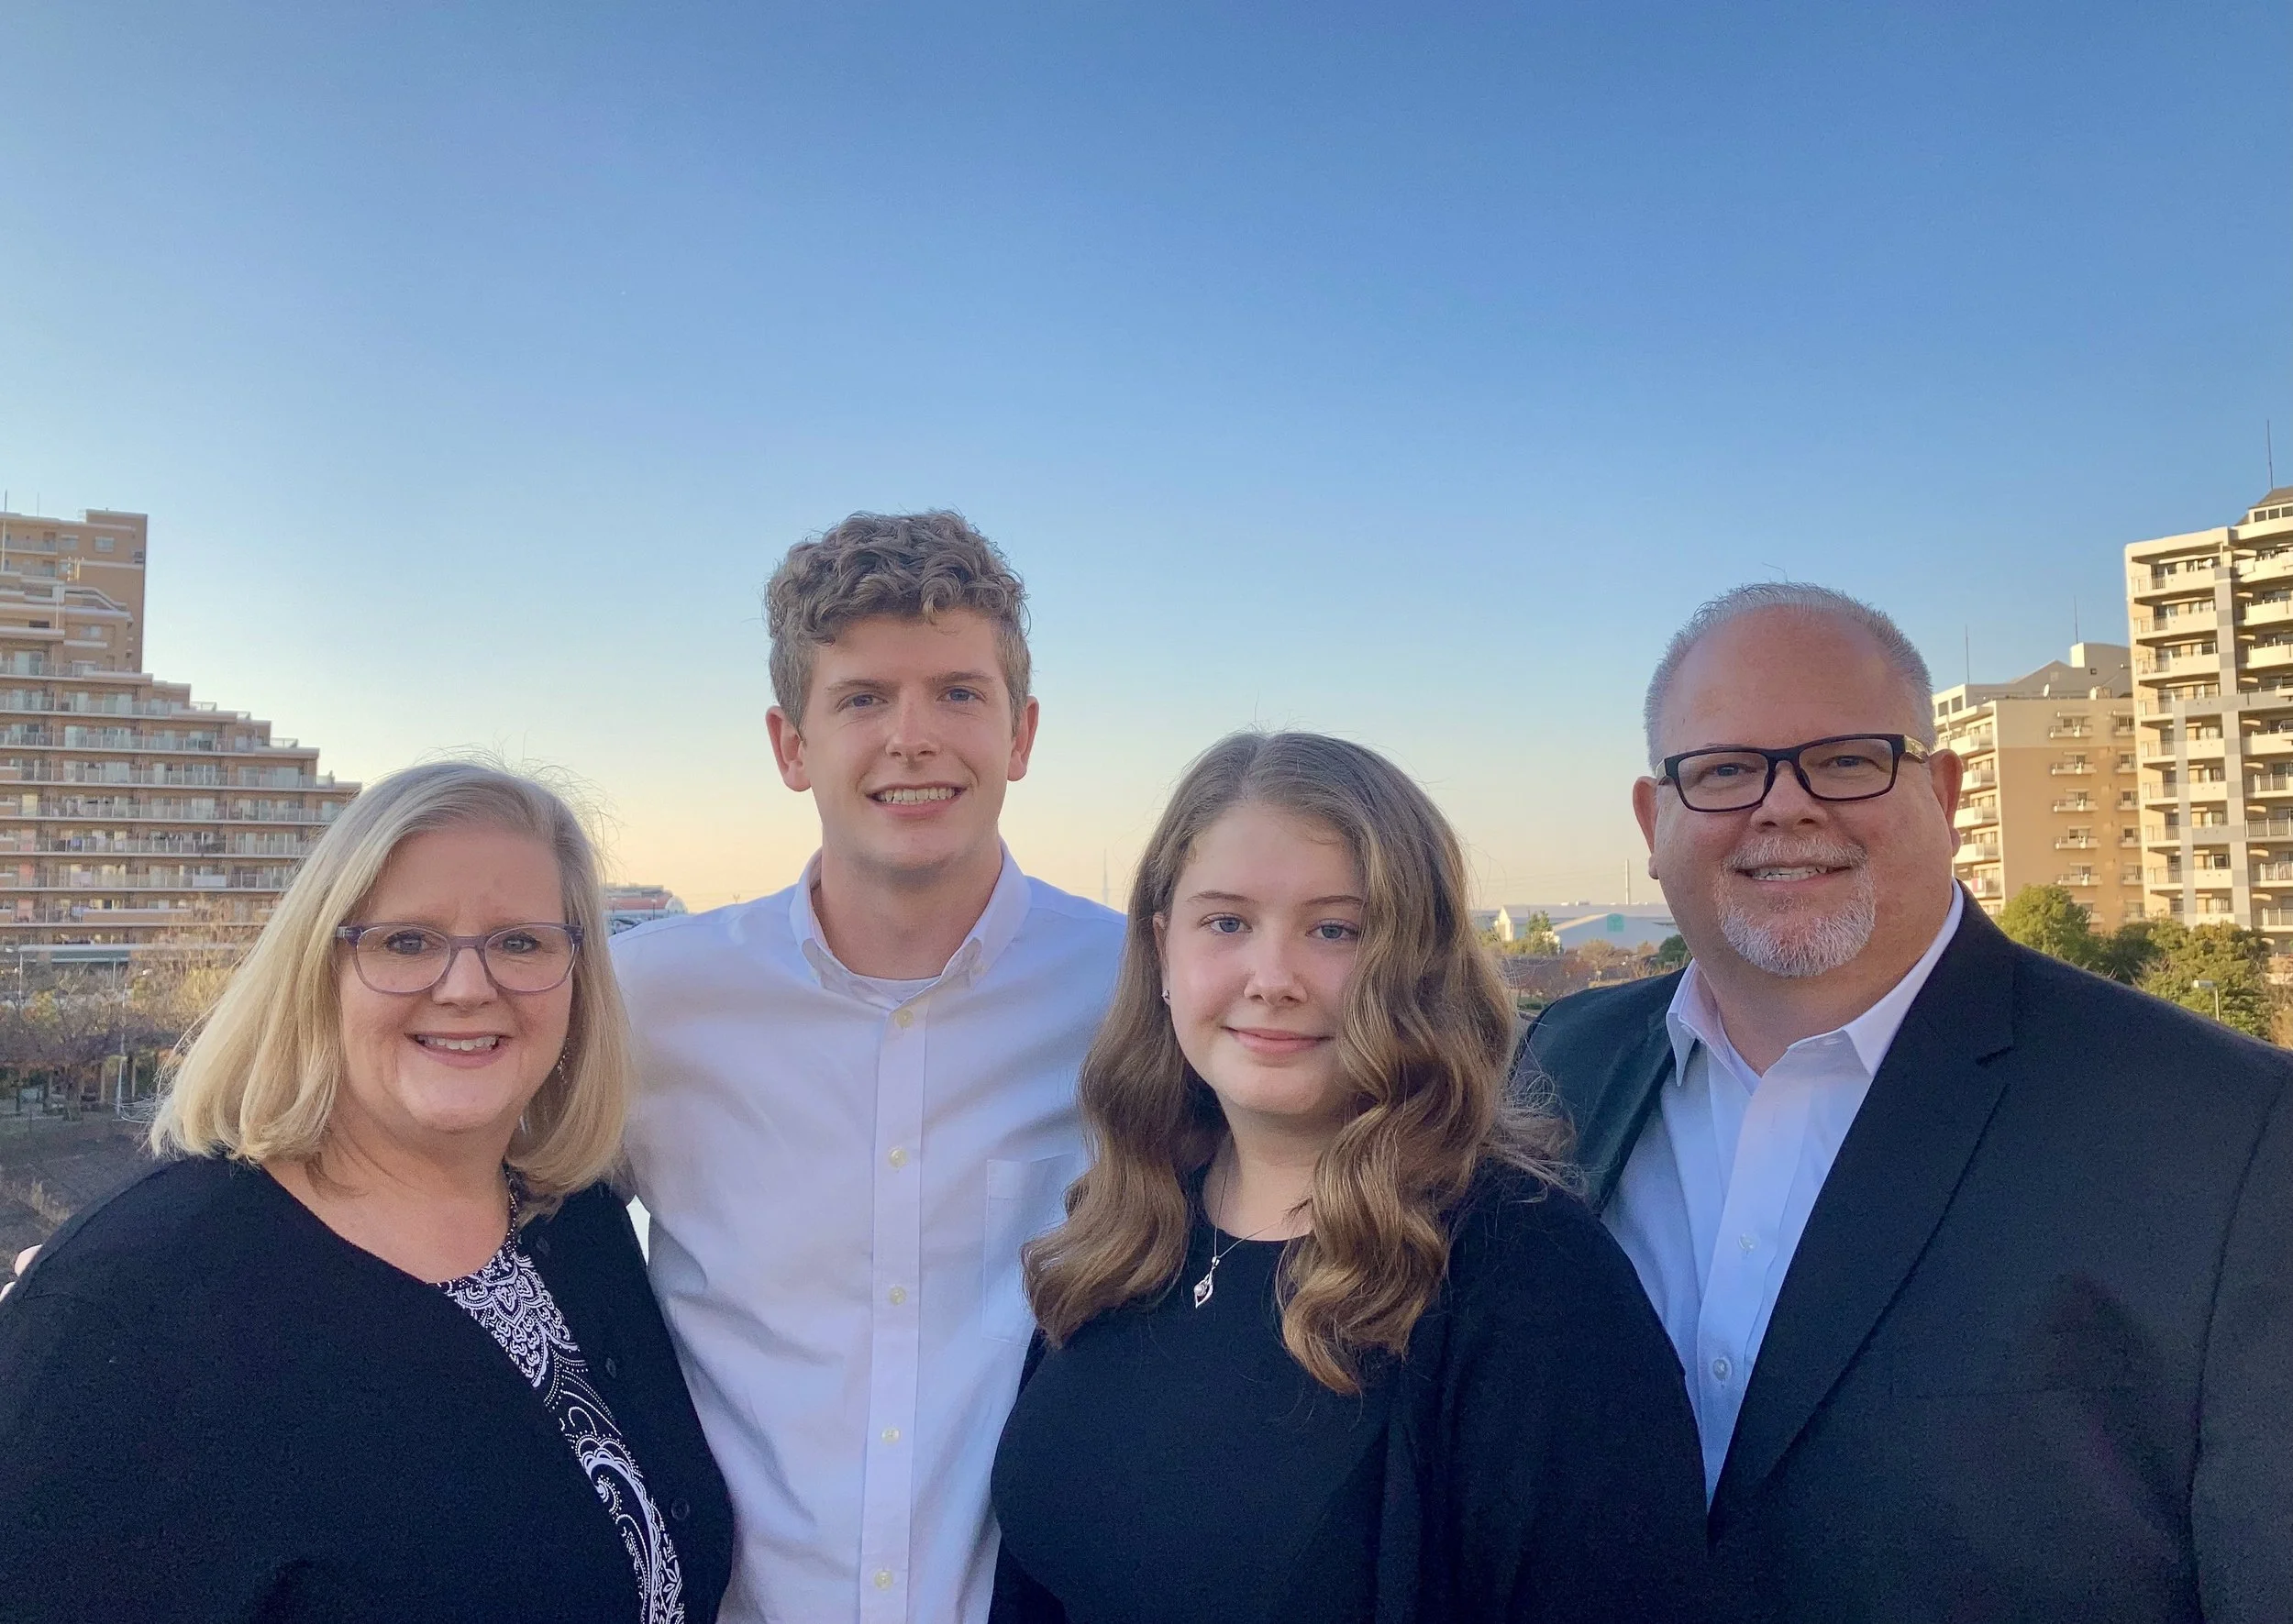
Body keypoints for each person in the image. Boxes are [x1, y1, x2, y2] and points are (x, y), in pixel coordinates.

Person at [1513, 582, 2293, 1622]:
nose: (1783, 805)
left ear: (1946, 790)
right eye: (1726, 769)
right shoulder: (1560, 1062)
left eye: (1845, 759)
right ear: (1656, 821)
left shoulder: (2228, 1132)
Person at [991, 731, 1708, 1624]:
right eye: (1227, 922)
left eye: (1335, 929)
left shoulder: (1529, 1284)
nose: (1273, 977)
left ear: (1422, 967)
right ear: (1161, 948)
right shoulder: (1123, 1232)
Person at [0, 761, 735, 1622]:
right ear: (319, 973)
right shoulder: (139, 1301)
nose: (468, 986)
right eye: (407, 941)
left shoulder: (578, 1227)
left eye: (521, 941)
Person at [615, 512, 1124, 1623]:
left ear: (1022, 732)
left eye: (957, 692)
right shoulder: (644, 1002)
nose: (913, 736)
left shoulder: (1139, 992)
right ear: (788, 744)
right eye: (860, 699)